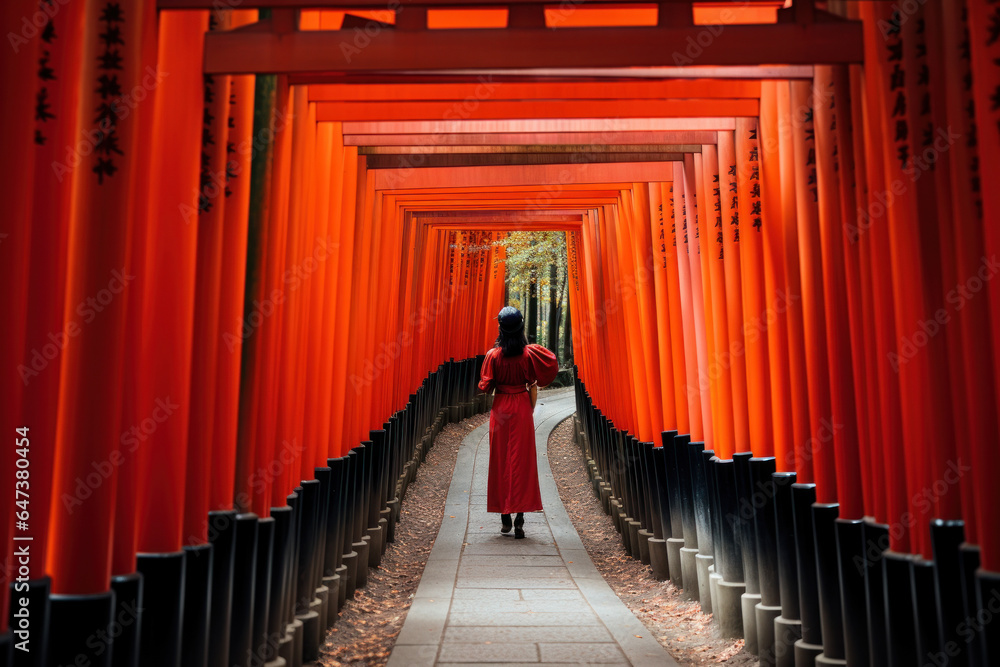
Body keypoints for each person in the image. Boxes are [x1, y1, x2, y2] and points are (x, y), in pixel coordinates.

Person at [477, 306, 559, 538]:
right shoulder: (528, 354)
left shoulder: (493, 356)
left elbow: (485, 386)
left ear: (501, 328)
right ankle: (520, 516)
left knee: (500, 461)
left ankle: (505, 518)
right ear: (521, 327)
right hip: (522, 408)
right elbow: (540, 378)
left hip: (501, 408)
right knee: (523, 462)